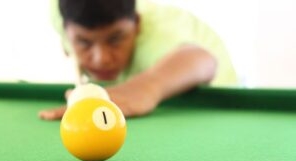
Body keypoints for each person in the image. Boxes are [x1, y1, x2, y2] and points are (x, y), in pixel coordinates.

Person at [39, 0, 238, 120]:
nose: (102, 60)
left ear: (137, 25)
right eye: (84, 42)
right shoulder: (58, 12)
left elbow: (201, 59)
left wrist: (144, 89)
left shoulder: (158, 35)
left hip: (217, 103)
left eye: (115, 39)